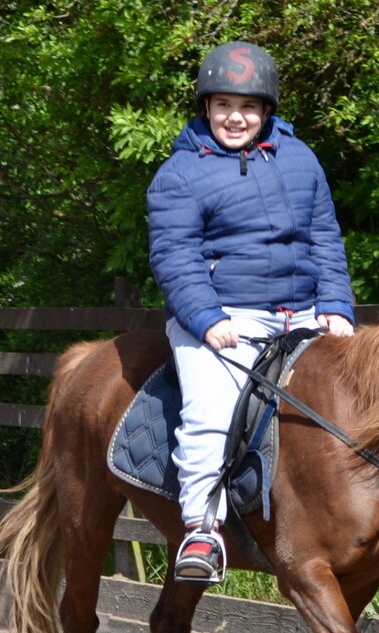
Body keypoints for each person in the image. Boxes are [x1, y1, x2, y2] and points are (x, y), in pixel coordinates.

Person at [147, 41, 356, 582]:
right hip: (226, 318)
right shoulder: (179, 173)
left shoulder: (301, 159)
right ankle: (201, 529)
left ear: (266, 111)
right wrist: (208, 318)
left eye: (247, 106)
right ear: (206, 107)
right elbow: (175, 256)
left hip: (304, 313)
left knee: (366, 393)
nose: (234, 117)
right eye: (222, 105)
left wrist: (335, 305)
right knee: (210, 411)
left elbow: (325, 239)